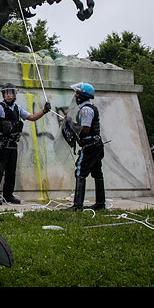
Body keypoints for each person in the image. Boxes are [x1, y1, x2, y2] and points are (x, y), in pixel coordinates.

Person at [0, 83, 51, 204]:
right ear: (3, 95)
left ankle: (8, 195)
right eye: (7, 93)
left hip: (13, 144)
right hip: (2, 144)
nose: (9, 95)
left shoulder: (17, 108)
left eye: (11, 93)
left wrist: (44, 111)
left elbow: (31, 117)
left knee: (11, 171)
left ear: (14, 94)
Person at [67, 82, 105, 211]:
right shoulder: (89, 108)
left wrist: (73, 127)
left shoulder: (86, 110)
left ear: (83, 95)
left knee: (80, 172)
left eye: (78, 93)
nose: (76, 96)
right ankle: (100, 203)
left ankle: (78, 205)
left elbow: (86, 130)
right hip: (96, 145)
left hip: (90, 145)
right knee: (97, 173)